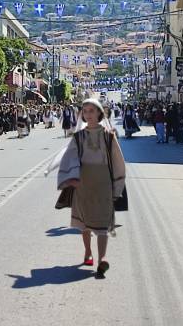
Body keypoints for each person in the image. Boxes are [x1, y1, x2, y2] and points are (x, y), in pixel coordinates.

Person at [57, 99, 125, 279]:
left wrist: (117, 186)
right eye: (85, 111)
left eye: (91, 111)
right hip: (83, 184)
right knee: (85, 222)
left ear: (99, 113)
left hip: (103, 184)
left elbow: (118, 161)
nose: (88, 114)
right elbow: (69, 158)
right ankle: (88, 251)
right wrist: (72, 178)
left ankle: (102, 259)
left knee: (103, 222)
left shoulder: (109, 136)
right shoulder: (78, 137)